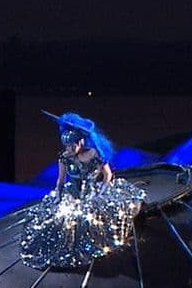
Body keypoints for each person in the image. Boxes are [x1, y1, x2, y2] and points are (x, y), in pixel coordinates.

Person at [20, 111, 146, 269]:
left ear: (80, 141)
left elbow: (107, 174)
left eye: (72, 145)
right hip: (72, 193)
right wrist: (58, 195)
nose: (69, 148)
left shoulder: (94, 154)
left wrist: (102, 192)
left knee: (91, 219)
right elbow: (60, 181)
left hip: (92, 192)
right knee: (57, 221)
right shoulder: (64, 158)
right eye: (67, 145)